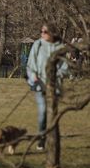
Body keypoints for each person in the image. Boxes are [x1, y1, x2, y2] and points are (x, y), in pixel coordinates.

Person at [26, 23, 67, 151]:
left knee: (53, 113)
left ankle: (54, 140)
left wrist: (55, 76)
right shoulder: (37, 45)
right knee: (43, 111)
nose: (42, 33)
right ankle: (41, 139)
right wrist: (33, 76)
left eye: (45, 31)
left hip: (55, 86)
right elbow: (31, 65)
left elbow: (65, 68)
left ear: (52, 33)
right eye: (41, 31)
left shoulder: (60, 47)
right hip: (40, 86)